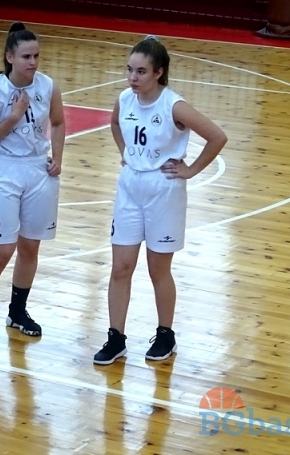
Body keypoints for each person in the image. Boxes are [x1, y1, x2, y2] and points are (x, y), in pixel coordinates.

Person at [93, 36, 227, 365]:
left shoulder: (173, 106)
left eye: (140, 71)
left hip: (164, 189)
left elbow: (217, 137)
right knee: (121, 267)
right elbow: (114, 123)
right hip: (130, 186)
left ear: (158, 73)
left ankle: (166, 334)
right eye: (129, 70)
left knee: (158, 269)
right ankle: (116, 338)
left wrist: (191, 170)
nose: (132, 77)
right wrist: (125, 152)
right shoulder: (125, 99)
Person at [0, 22, 66, 342]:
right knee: (3, 249)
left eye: (36, 56)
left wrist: (57, 156)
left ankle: (17, 312)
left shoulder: (48, 86)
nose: (33, 62)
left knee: (30, 247)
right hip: (3, 171)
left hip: (38, 170)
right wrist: (13, 116)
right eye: (26, 57)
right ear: (10, 57)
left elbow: (58, 122)